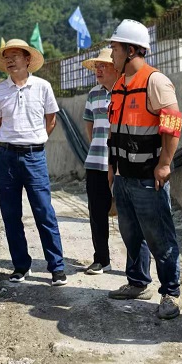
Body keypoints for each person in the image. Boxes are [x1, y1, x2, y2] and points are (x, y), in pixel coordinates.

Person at [107, 19, 182, 320]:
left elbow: (173, 123)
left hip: (148, 177)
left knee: (159, 236)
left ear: (130, 50)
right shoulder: (119, 85)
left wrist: (164, 163)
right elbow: (114, 131)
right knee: (131, 234)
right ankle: (138, 282)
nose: (111, 53)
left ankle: (171, 293)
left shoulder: (155, 81)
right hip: (124, 176)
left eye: (115, 48)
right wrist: (112, 168)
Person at [0, 38, 67, 286]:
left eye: (15, 56)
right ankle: (21, 266)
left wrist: (35, 140)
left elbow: (51, 120)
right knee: (11, 214)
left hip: (35, 157)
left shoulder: (43, 87)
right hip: (7, 157)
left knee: (44, 211)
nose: (10, 61)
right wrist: (13, 141)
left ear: (27, 59)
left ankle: (57, 267)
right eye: (7, 57)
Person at [81, 47, 118, 275]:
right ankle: (101, 259)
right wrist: (98, 145)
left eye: (103, 65)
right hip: (96, 162)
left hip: (122, 163)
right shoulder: (93, 94)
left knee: (129, 216)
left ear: (116, 67)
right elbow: (89, 124)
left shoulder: (125, 91)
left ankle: (136, 267)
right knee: (96, 213)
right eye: (97, 66)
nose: (98, 70)